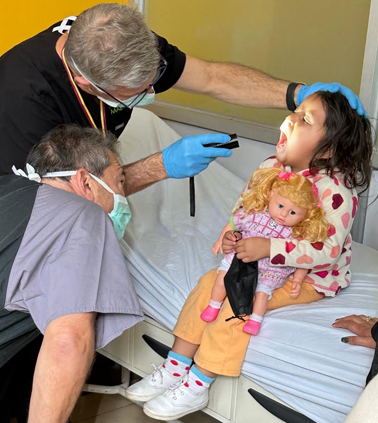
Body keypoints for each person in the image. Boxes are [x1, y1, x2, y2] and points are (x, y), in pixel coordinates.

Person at [125, 90, 372, 421]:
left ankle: (198, 383)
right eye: (295, 112)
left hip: (308, 277)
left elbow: (325, 251)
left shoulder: (336, 191)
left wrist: (269, 248)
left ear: (327, 149)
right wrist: (230, 236)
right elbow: (244, 209)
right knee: (206, 285)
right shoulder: (271, 167)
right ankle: (176, 365)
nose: (290, 120)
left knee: (236, 305)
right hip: (255, 261)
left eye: (305, 120)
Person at [0, 3, 366, 197]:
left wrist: (296, 94)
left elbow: (210, 77)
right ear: (86, 82)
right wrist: (162, 165)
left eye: (154, 78)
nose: (154, 94)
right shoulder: (24, 102)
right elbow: (72, 197)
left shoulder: (119, 37)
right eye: (137, 93)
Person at [0, 124, 145, 422]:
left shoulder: (7, 187)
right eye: (119, 182)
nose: (122, 198)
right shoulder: (84, 215)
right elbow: (69, 341)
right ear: (85, 182)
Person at [201, 168, 328, 336]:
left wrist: (298, 279)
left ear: (305, 215)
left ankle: (255, 321)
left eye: (293, 212)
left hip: (270, 270)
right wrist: (220, 240)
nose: (283, 214)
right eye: (281, 206)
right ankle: (213, 305)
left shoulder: (296, 234)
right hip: (241, 258)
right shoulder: (255, 215)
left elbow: (302, 258)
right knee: (222, 279)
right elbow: (233, 223)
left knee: (261, 295)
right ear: (270, 196)